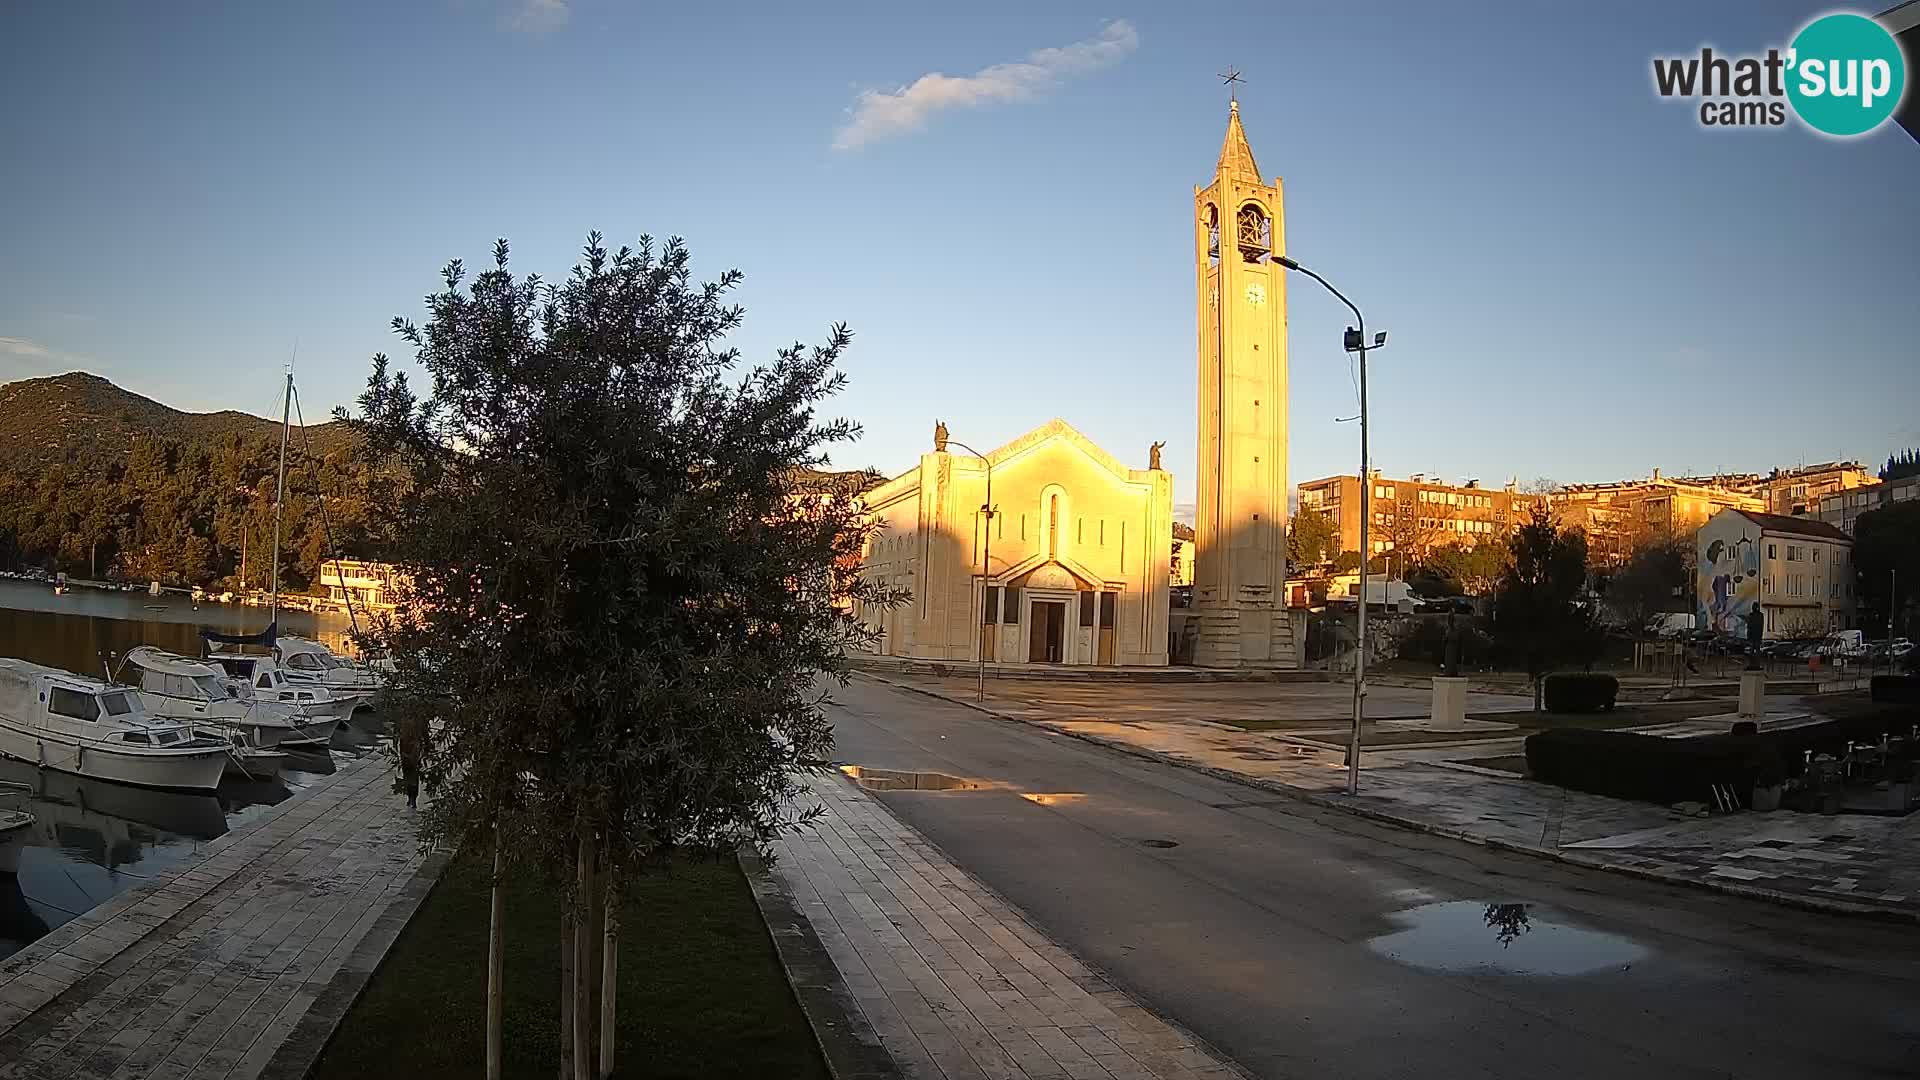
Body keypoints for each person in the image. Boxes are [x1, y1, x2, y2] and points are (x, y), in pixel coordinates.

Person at [396, 712, 426, 810]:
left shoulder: (418, 720)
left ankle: (413, 798)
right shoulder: (404, 719)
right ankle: (410, 796)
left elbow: (424, 735)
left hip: (413, 749)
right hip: (405, 749)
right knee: (408, 773)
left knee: (412, 774)